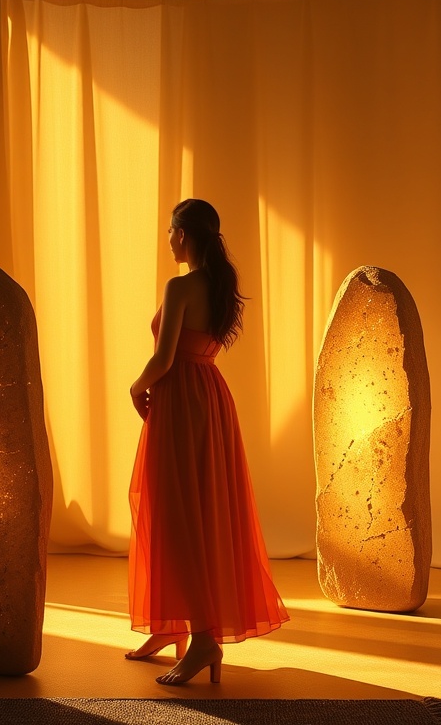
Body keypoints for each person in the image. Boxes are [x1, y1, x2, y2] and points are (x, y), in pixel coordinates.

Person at [126, 198, 289, 686]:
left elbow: (163, 359)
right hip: (210, 398)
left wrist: (136, 387)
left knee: (176, 513)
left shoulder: (179, 286)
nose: (167, 239)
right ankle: (173, 624)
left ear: (182, 234)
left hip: (180, 399)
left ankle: (202, 637)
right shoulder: (219, 286)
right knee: (194, 509)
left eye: (170, 230)